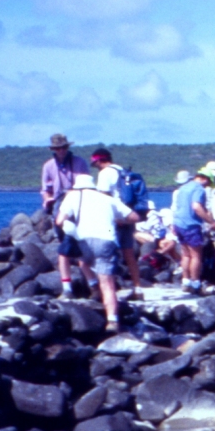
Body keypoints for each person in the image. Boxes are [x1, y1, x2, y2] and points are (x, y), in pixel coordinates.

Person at [56, 173, 141, 331]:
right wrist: (119, 220)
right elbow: (135, 217)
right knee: (108, 283)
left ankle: (94, 288)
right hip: (106, 240)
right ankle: (112, 321)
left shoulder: (73, 196)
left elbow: (59, 221)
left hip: (84, 240)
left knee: (83, 260)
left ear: (77, 186)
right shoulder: (108, 199)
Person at [90, 147, 146, 302]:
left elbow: (103, 199)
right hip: (129, 217)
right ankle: (138, 288)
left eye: (95, 164)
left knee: (106, 254)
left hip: (113, 221)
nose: (96, 167)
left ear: (100, 161)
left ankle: (108, 291)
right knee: (129, 253)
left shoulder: (105, 173)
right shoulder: (123, 171)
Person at [41, 133, 90, 298]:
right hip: (58, 204)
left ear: (67, 147)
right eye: (57, 148)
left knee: (82, 241)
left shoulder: (79, 162)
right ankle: (71, 279)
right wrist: (47, 200)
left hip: (77, 202)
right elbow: (45, 190)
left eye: (63, 147)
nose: (61, 151)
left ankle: (88, 279)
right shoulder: (48, 166)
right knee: (64, 242)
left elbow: (87, 185)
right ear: (53, 149)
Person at [171, 163, 215, 293]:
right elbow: (196, 207)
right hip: (191, 225)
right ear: (204, 178)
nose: (208, 186)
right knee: (196, 256)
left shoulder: (183, 188)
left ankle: (185, 281)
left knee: (185, 255)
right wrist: (211, 222)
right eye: (209, 183)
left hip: (179, 223)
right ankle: (195, 284)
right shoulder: (198, 189)